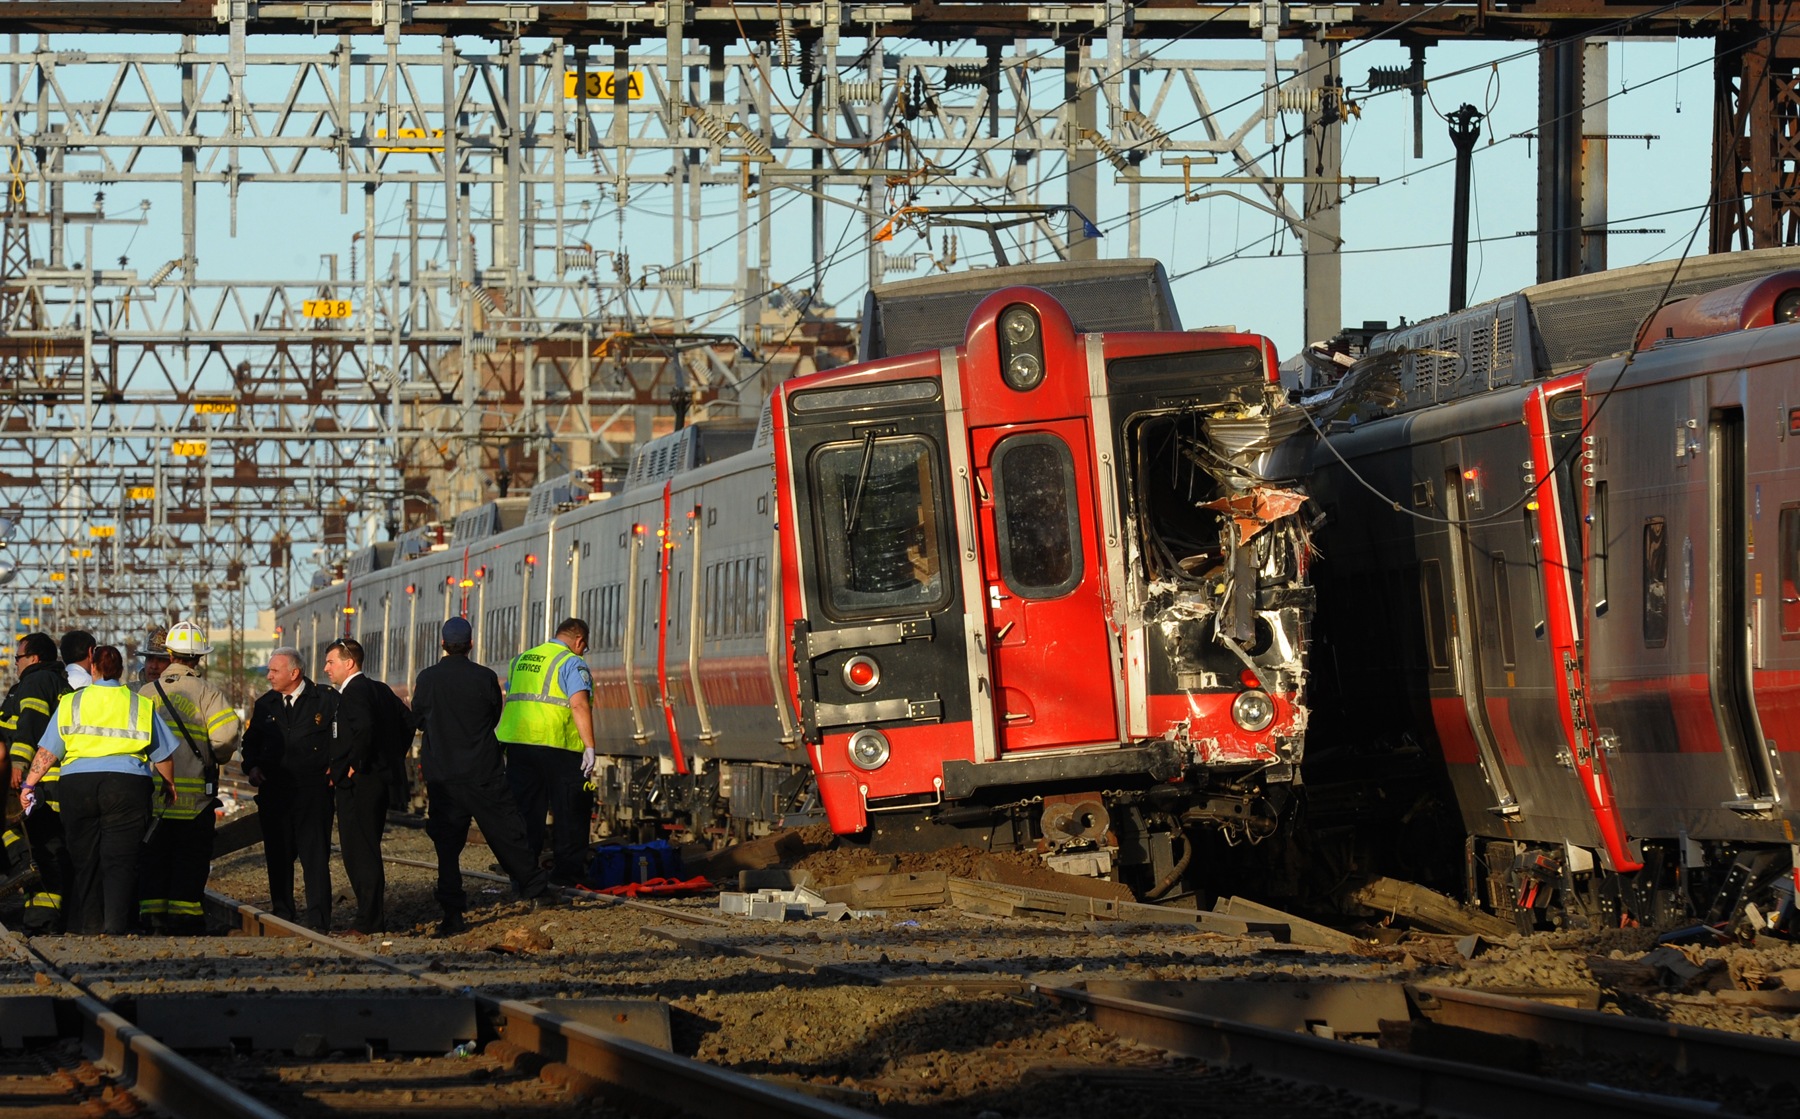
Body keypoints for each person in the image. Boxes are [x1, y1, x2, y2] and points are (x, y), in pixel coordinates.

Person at [411, 617, 558, 936]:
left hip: (444, 778)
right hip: (484, 772)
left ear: (442, 644)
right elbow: (494, 716)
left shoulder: (428, 679)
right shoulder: (485, 677)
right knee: (506, 833)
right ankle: (536, 892)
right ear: (471, 644)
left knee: (447, 849)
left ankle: (453, 914)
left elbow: (418, 719)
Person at [18, 646, 179, 935]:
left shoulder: (71, 703)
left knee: (85, 858)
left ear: (93, 669)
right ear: (121, 672)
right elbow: (162, 754)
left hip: (77, 787)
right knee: (121, 860)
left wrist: (29, 784)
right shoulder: (139, 704)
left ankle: (91, 927)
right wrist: (169, 785)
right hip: (127, 787)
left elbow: (48, 751)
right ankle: (116, 925)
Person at [137, 620, 241, 933]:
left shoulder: (145, 693)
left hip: (154, 800)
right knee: (189, 860)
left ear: (170, 653)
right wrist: (215, 757)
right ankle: (185, 920)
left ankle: (153, 919)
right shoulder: (208, 693)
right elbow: (225, 738)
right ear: (199, 658)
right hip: (195, 801)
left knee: (153, 860)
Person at [240, 646, 336, 930]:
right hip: (275, 792)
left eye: (274, 671)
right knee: (278, 855)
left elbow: (342, 735)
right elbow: (250, 743)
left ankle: (319, 919)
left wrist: (336, 764)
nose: (269, 676)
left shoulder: (325, 700)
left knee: (315, 856)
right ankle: (283, 915)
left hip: (313, 791)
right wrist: (252, 766)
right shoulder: (266, 704)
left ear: (294, 673)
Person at [498, 618, 597, 887]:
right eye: (584, 647)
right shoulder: (571, 662)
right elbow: (578, 705)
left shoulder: (521, 660)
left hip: (519, 747)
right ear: (579, 641)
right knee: (571, 811)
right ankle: (567, 875)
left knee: (526, 813)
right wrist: (589, 746)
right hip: (558, 748)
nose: (583, 651)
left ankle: (524, 876)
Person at [322, 638, 407, 935]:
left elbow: (365, 727)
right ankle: (369, 919)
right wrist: (391, 756)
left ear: (349, 663)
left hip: (360, 783)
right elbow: (407, 720)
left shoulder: (353, 692)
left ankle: (367, 923)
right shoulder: (380, 689)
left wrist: (355, 763)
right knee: (367, 847)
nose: (326, 668)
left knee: (359, 851)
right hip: (377, 780)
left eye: (331, 662)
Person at [3, 633, 72, 929]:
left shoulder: (35, 681)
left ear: (33, 658)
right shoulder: (58, 683)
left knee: (40, 851)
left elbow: (28, 725)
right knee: (50, 850)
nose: (15, 664)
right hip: (51, 783)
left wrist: (17, 765)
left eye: (18, 658)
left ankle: (41, 917)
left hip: (36, 783)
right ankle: (43, 917)